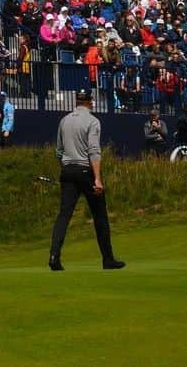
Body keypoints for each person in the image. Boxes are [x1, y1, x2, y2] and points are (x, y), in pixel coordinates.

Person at [48, 86, 124, 271]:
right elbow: (93, 151)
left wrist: (65, 167)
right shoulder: (93, 121)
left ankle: (54, 256)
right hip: (85, 171)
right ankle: (108, 259)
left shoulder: (64, 120)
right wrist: (97, 179)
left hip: (67, 170)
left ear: (76, 101)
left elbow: (58, 151)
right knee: (99, 216)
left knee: (64, 215)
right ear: (90, 101)